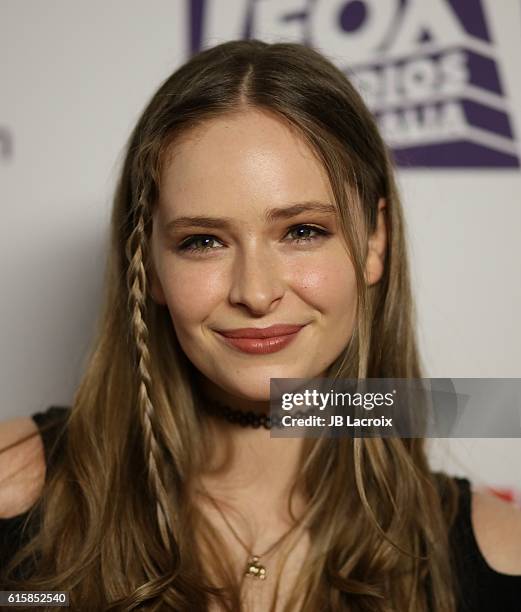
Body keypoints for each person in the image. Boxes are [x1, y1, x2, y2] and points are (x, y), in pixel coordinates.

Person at [0, 39, 520, 612]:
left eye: (302, 231)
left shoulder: (501, 552)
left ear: (376, 241)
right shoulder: (13, 485)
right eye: (203, 241)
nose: (255, 292)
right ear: (145, 264)